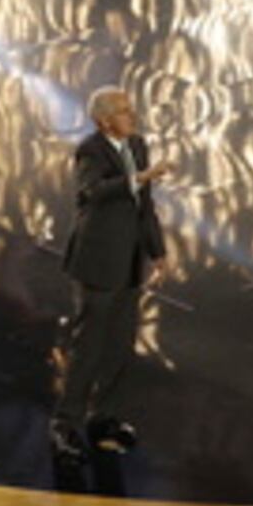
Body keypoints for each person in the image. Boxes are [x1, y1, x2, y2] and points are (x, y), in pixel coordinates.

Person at [58, 87, 165, 456]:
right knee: (88, 349)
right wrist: (141, 177)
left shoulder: (137, 145)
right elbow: (93, 191)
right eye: (123, 110)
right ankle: (65, 424)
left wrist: (157, 251)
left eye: (130, 108)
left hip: (130, 261)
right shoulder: (91, 150)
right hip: (98, 261)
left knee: (120, 346)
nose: (131, 115)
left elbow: (145, 206)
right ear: (103, 121)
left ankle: (105, 418)